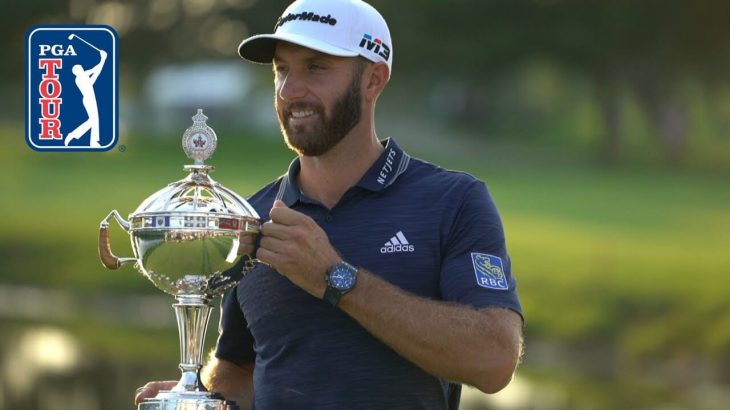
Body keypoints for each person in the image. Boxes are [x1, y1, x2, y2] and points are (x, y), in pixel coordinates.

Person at [135, 0, 524, 408]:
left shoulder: (453, 201)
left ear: (373, 80)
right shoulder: (250, 218)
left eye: (315, 67)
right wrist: (202, 397)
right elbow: (241, 370)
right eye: (281, 70)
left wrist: (336, 278)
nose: (289, 90)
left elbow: (494, 359)